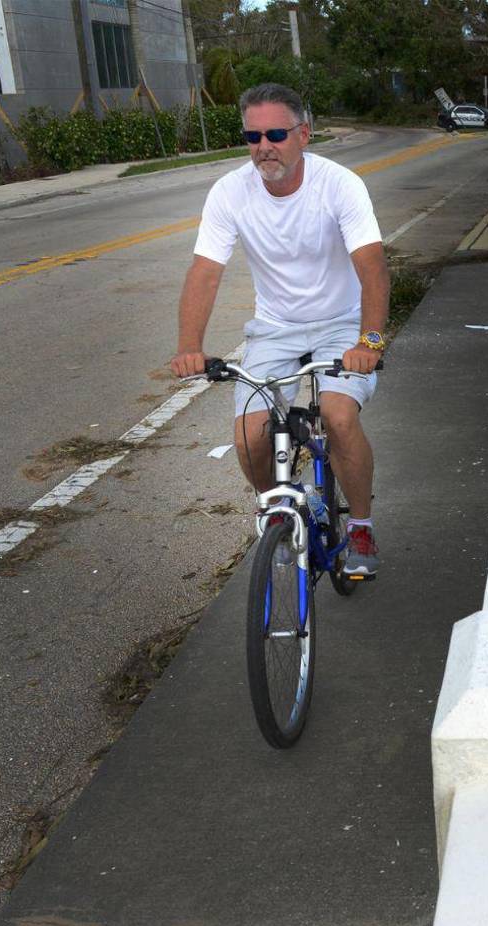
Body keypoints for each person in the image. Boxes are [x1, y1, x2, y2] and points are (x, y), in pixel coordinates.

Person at [171, 82, 388, 578]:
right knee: (249, 436)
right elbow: (205, 271)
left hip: (342, 324)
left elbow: (373, 265)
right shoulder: (230, 192)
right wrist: (189, 347)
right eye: (252, 135)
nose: (263, 146)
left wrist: (369, 341)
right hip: (274, 328)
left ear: (303, 135)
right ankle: (278, 508)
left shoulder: (340, 185)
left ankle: (360, 525)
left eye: (275, 133)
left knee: (337, 415)